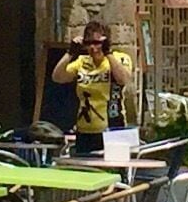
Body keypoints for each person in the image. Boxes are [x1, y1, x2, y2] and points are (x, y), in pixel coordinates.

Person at [52, 21, 133, 154]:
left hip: (113, 129)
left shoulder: (120, 59)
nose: (93, 48)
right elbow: (57, 77)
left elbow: (123, 79)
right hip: (85, 131)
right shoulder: (82, 61)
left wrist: (108, 53)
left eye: (97, 43)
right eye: (89, 43)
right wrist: (70, 53)